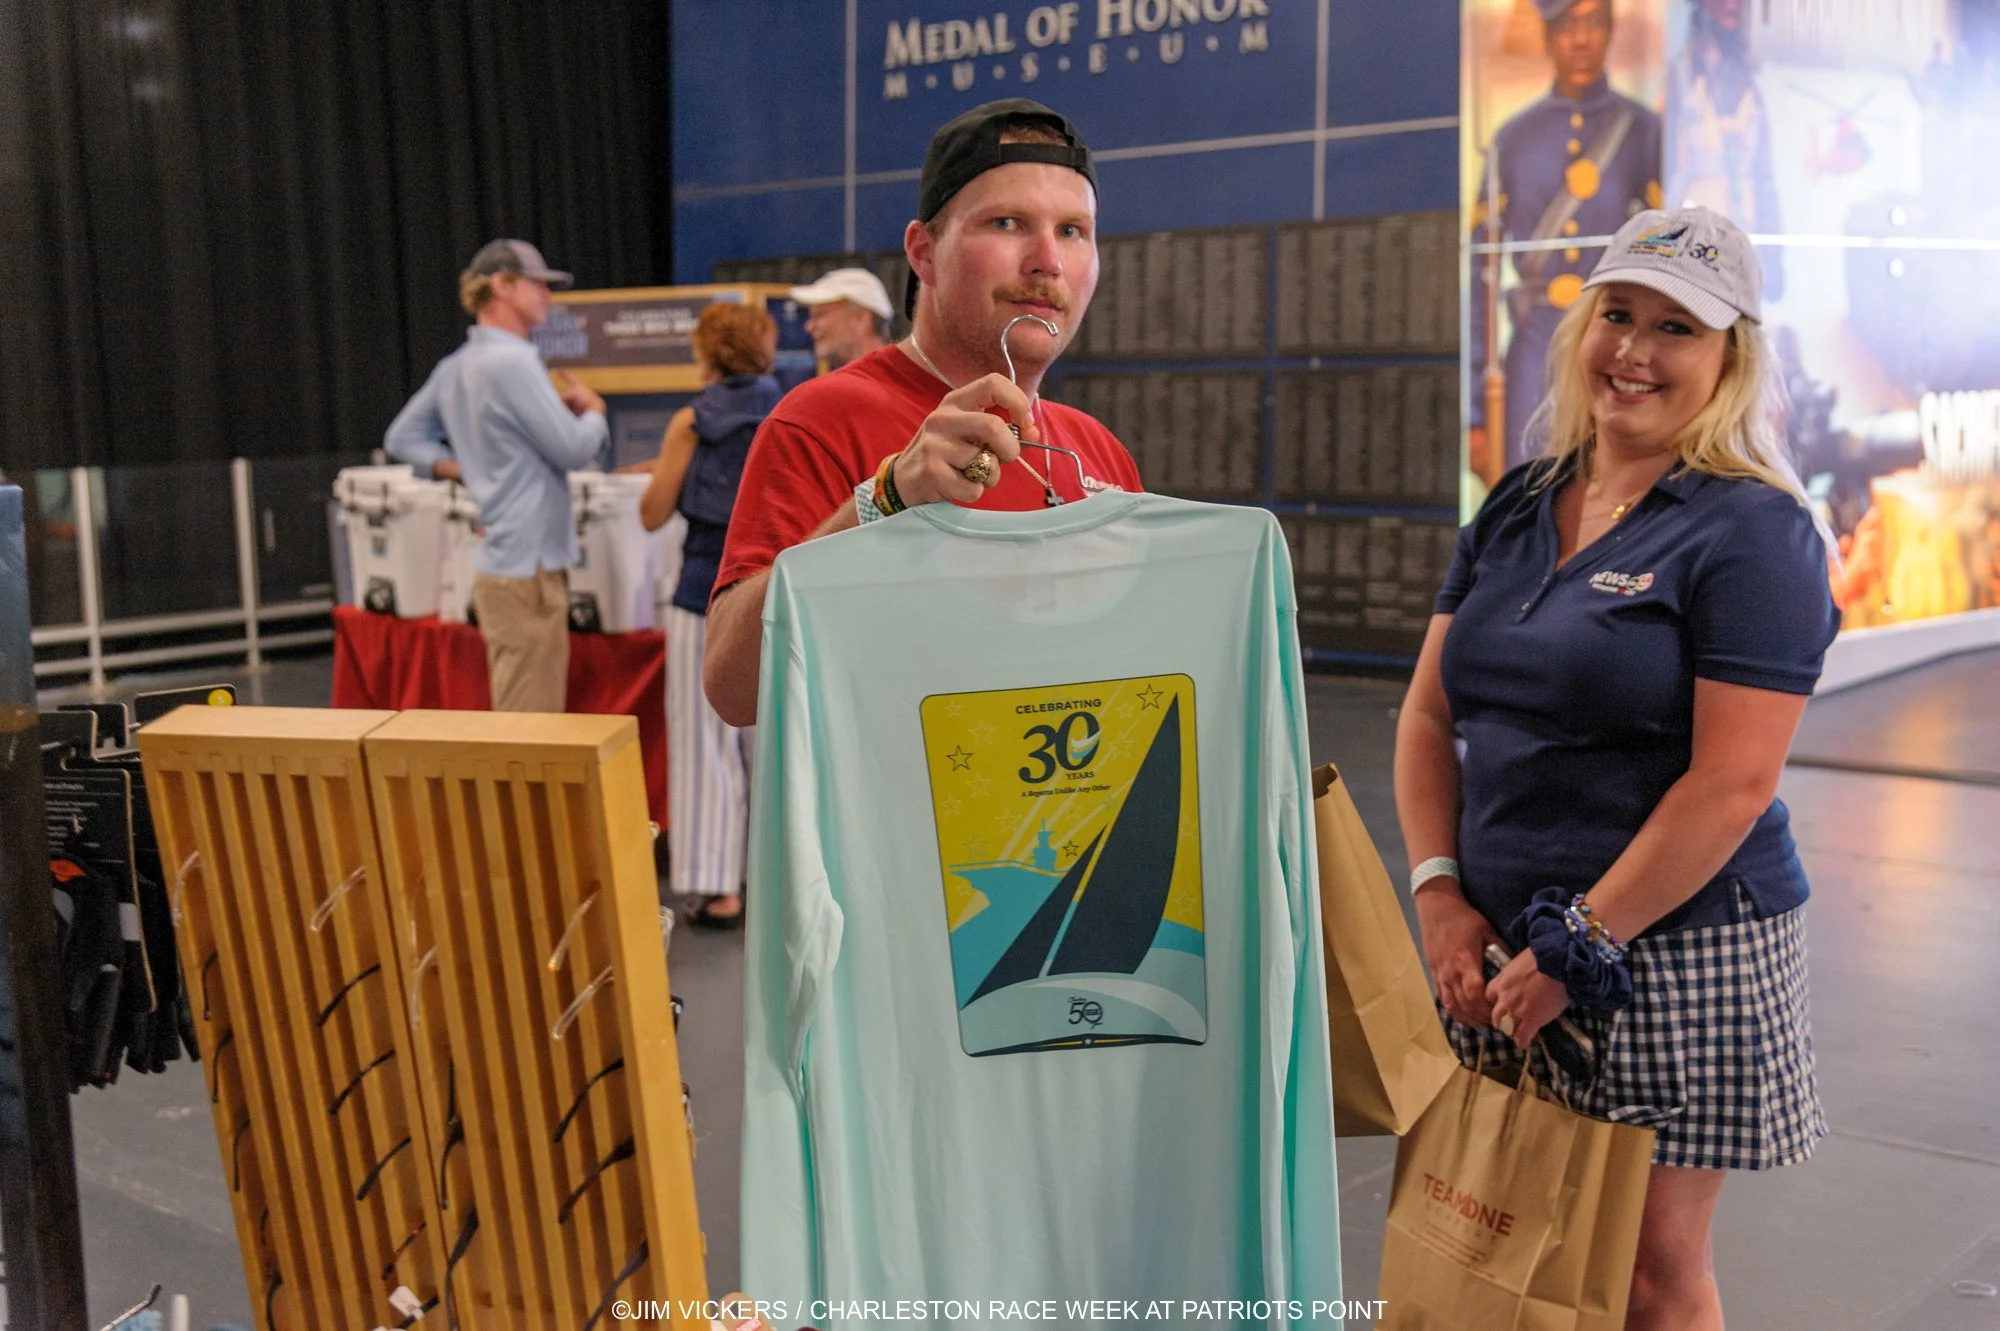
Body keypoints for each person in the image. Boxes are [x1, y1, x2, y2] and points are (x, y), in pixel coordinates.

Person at [1396, 206, 1839, 1330]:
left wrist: (1579, 944)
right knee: (1508, 1239)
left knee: (1647, 1271)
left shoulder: (1753, 532)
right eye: (1618, 314)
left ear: (1729, 357)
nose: (1634, 351)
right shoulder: (1515, 501)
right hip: (1495, 943)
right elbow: (1428, 712)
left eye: (1675, 328)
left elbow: (1731, 785)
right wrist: (1438, 891)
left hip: (1668, 945)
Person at [703, 99, 1143, 728]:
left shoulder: (1098, 450)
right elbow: (733, 688)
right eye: (1007, 223)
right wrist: (883, 502)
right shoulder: (823, 420)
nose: (1047, 259)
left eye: (1073, 231)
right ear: (924, 252)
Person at [385, 239, 608, 712]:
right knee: (531, 727)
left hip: (508, 566)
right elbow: (571, 449)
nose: (547, 295)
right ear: (502, 285)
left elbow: (401, 438)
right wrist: (593, 413)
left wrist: (464, 470)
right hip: (527, 572)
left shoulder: (456, 367)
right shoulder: (514, 362)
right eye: (537, 284)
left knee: (525, 717)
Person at [1469, 0, 1663, 485]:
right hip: (1533, 355)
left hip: (1615, 348)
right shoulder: (1513, 139)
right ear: (1547, 34)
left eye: (1591, 22)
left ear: (1609, 28)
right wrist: (1474, 410)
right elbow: (1480, 275)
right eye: (1566, 25)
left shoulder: (1642, 132)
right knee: (1524, 495)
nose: (1579, 39)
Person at [637, 301, 782, 929]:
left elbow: (651, 514)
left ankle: (719, 888)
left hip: (703, 594)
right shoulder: (792, 410)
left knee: (704, 743)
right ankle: (779, 878)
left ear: (709, 352)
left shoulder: (691, 422)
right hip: (776, 594)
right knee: (773, 743)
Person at [788, 267, 893, 371]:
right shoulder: (891, 374)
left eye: (820, 315)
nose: (809, 327)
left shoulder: (894, 378)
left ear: (860, 319)